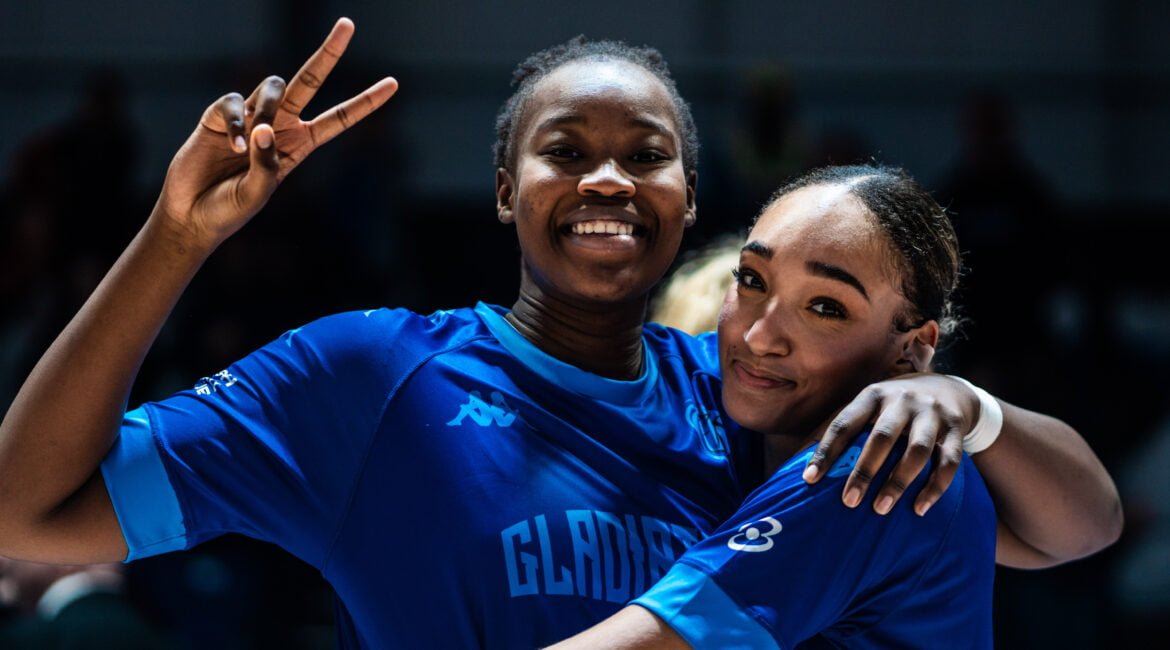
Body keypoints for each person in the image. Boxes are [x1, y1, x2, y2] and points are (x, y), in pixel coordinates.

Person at [0, 18, 1120, 649]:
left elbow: (1062, 526)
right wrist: (171, 239)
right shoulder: (367, 374)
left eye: (646, 154)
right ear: (501, 188)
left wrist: (972, 408)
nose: (607, 179)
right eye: (564, 148)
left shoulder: (761, 399)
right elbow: (25, 510)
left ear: (690, 199)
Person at [552, 164, 995, 648]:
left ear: (909, 349)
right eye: (751, 280)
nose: (759, 337)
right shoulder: (737, 423)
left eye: (826, 308)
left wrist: (974, 403)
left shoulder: (881, 464)